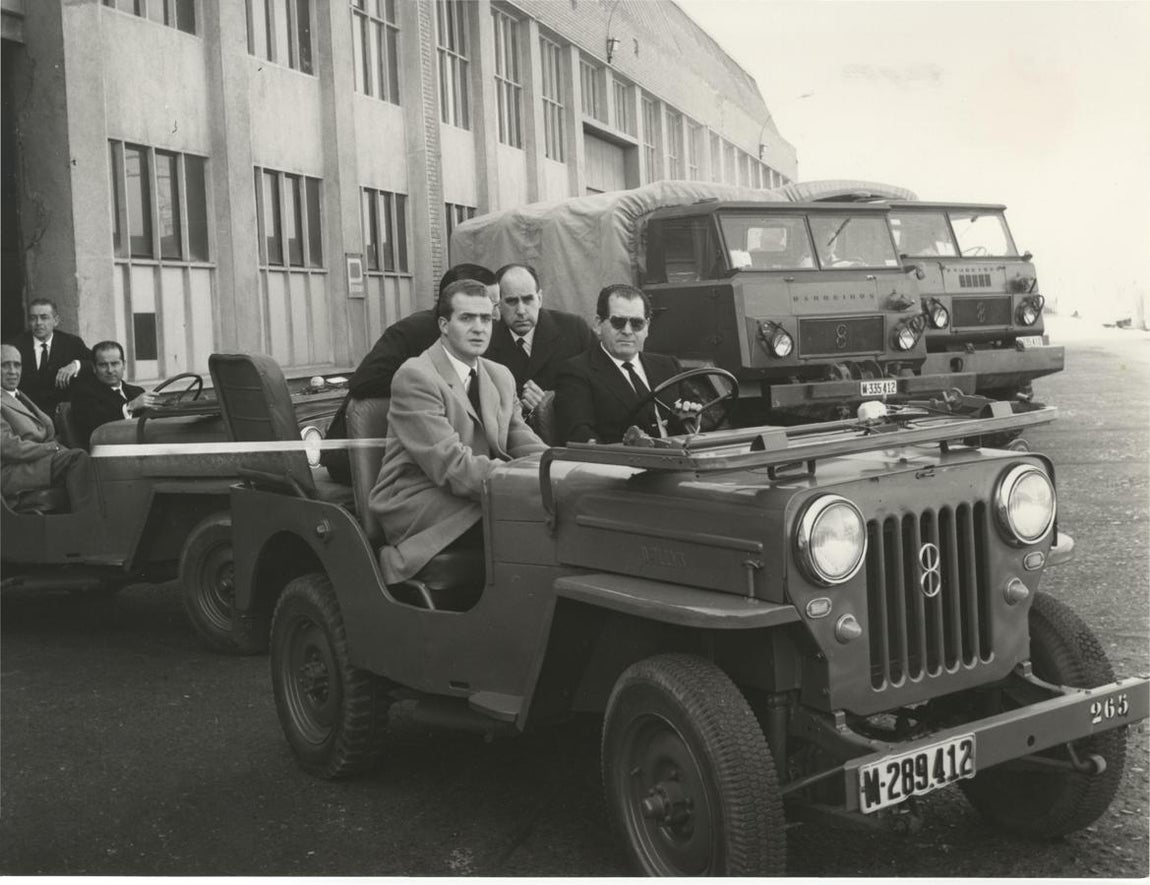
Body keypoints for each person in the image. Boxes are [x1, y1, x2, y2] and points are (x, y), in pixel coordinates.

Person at [368, 279, 546, 584]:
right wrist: (520, 485)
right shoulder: (415, 376)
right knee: (526, 525)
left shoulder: (499, 375)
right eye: (466, 318)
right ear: (444, 324)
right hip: (420, 500)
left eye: (486, 319)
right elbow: (450, 466)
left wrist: (558, 470)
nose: (479, 328)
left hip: (477, 489)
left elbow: (522, 439)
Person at [321, 264, 499, 483]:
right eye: (487, 302)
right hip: (356, 456)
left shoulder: (481, 342)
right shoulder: (413, 331)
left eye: (492, 308)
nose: (494, 315)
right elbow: (363, 381)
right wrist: (436, 384)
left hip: (439, 458)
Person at [554, 284, 687, 445]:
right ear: (598, 324)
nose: (627, 331)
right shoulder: (576, 372)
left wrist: (694, 418)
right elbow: (580, 435)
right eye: (618, 322)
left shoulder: (668, 366)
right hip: (624, 466)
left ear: (647, 327)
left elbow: (703, 421)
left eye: (637, 323)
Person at [486, 263, 595, 418]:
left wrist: (550, 402)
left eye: (528, 299)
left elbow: (599, 386)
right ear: (498, 304)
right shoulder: (486, 340)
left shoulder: (574, 330)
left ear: (540, 298)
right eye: (511, 301)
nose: (521, 311)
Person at [1, 343, 92, 508]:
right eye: (5, 365)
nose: (13, 371)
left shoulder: (19, 396)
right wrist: (52, 449)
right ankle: (87, 521)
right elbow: (9, 448)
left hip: (37, 462)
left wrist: (56, 448)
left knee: (89, 459)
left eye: (17, 365)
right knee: (77, 458)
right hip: (13, 471)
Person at [7, 298, 92, 415]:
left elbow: (96, 363)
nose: (38, 323)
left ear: (56, 321)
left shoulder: (71, 343)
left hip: (62, 417)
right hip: (27, 415)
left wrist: (76, 365)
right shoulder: (15, 346)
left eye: (44, 317)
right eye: (33, 318)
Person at [70, 341, 159, 449]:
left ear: (124, 365)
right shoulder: (83, 394)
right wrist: (130, 407)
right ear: (94, 368)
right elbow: (97, 428)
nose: (110, 370)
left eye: (115, 364)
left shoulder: (137, 391)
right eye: (103, 365)